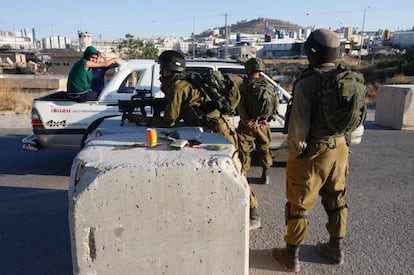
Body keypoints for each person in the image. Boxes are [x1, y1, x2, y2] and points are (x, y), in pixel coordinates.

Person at [271, 28, 357, 272]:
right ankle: (336, 249)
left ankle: (291, 255)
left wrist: (296, 155)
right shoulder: (347, 78)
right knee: (336, 200)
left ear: (313, 53)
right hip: (340, 148)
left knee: (299, 202)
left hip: (314, 151)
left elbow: (298, 127)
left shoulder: (308, 82)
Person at [128, 50, 238, 147]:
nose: (160, 73)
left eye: (161, 69)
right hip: (216, 129)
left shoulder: (178, 87)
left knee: (236, 164)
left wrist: (143, 119)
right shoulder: (183, 82)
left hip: (219, 132)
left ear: (167, 71)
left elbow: (169, 121)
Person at [236, 57, 277, 185]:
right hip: (263, 125)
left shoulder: (244, 85)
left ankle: (244, 174)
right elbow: (275, 103)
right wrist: (268, 119)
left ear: (248, 70)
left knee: (245, 150)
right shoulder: (268, 85)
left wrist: (248, 123)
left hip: (247, 125)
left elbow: (241, 106)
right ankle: (266, 174)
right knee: (264, 148)